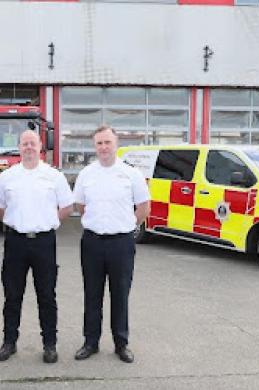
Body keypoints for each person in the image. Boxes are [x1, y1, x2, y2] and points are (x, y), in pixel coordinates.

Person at [0, 130, 74, 364]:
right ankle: (9, 342)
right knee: (12, 295)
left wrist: (49, 221)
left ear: (40, 147)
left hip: (44, 242)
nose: (28, 147)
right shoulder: (7, 176)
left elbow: (67, 206)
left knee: (46, 295)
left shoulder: (53, 176)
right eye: (24, 143)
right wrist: (17, 220)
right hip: (16, 241)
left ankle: (49, 344)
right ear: (19, 147)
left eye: (32, 143)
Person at [71, 125, 150, 363]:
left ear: (116, 145)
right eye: (99, 143)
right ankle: (90, 342)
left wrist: (126, 225)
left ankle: (121, 343)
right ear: (94, 146)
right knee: (92, 294)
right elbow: (81, 206)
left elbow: (143, 207)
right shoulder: (86, 174)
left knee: (120, 294)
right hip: (93, 242)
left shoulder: (131, 174)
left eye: (107, 142)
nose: (103, 147)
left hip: (121, 244)